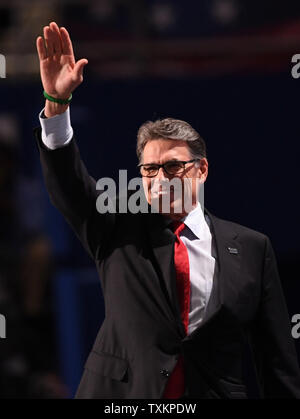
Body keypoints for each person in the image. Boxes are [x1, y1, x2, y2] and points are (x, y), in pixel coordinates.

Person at [34, 21, 300, 398]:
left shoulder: (253, 248)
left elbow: (276, 359)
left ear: (202, 169)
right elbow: (69, 186)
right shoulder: (114, 227)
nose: (161, 177)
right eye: (150, 169)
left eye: (174, 165)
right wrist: (56, 105)